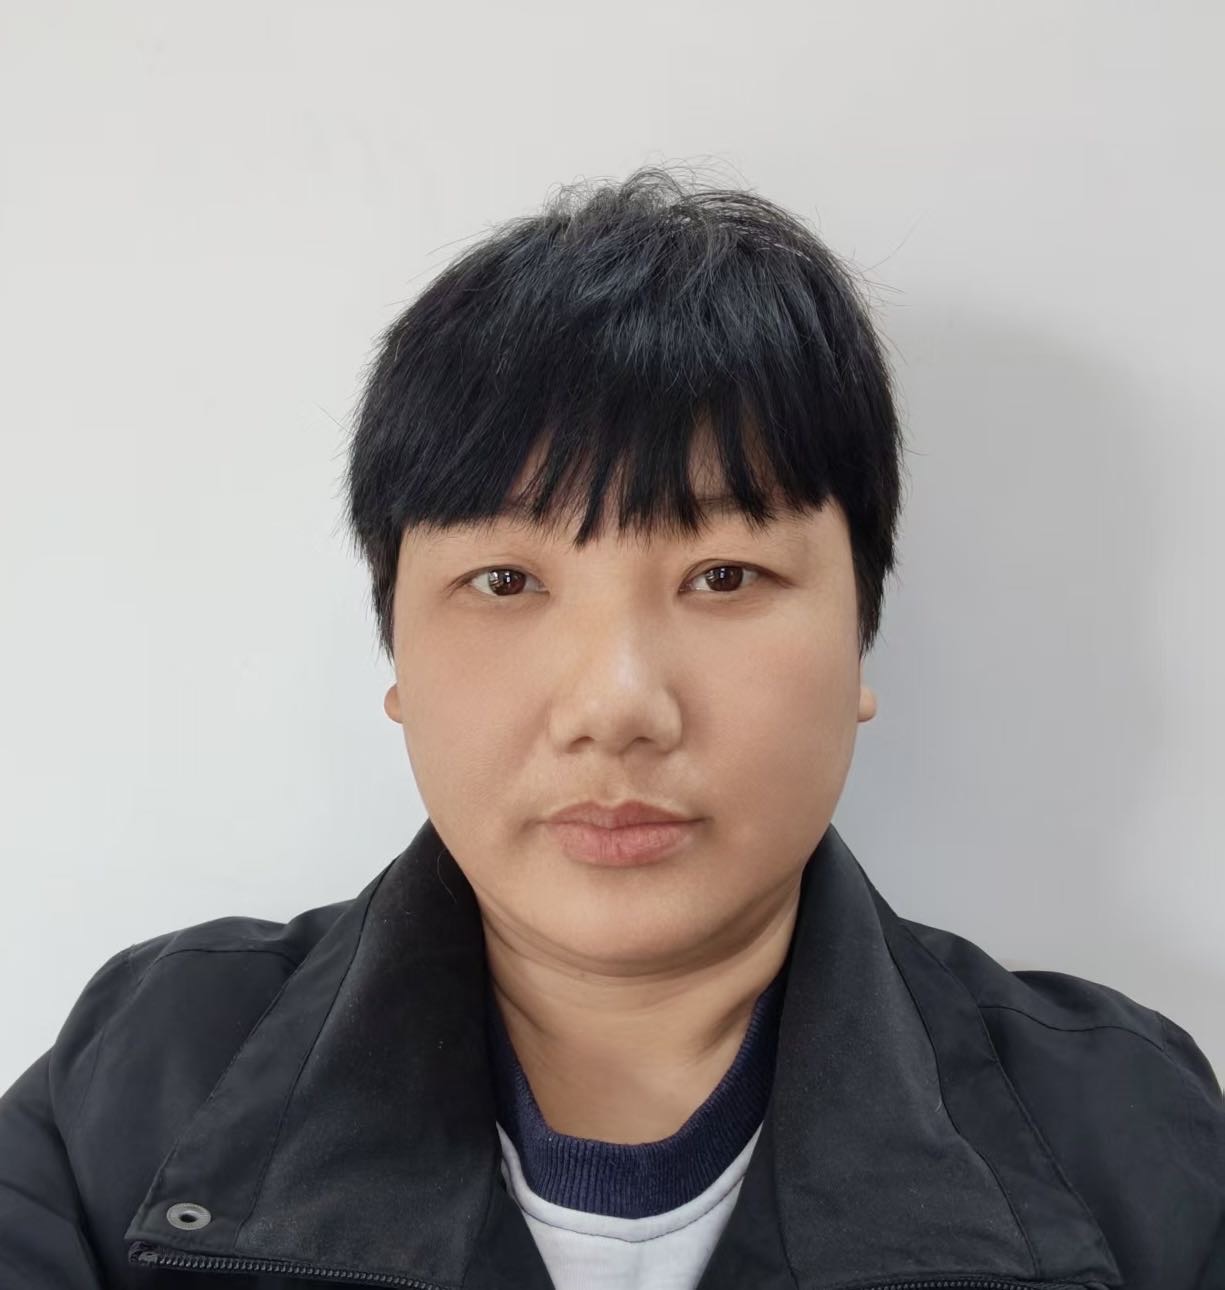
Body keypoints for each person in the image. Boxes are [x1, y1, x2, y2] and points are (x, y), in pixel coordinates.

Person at [1, 165, 1221, 1290]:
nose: (615, 707)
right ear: (398, 658)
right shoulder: (139, 1092)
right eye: (505, 581)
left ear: (859, 637)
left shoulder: (1127, 1140)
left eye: (725, 576)